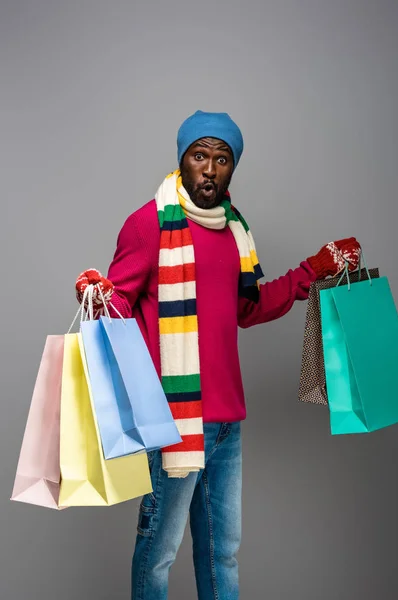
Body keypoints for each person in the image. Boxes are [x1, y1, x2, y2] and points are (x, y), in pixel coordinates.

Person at [75, 110, 360, 600]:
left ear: (232, 168)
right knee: (158, 553)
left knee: (221, 554)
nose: (209, 168)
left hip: (226, 423)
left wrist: (313, 268)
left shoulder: (234, 232)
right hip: (173, 420)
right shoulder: (148, 225)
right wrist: (98, 293)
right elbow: (117, 304)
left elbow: (246, 309)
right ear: (183, 159)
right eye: (200, 155)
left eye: (221, 159)